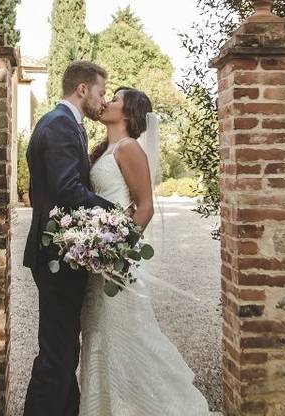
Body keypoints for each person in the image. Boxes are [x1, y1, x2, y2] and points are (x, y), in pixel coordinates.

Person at [78, 86, 212, 416]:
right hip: (98, 263)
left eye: (116, 98)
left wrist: (115, 251)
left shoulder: (128, 149)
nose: (107, 100)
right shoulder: (103, 149)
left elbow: (145, 208)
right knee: (100, 337)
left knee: (130, 338)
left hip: (115, 262)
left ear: (128, 112)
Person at [23, 61, 114, 416]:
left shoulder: (67, 124)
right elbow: (68, 190)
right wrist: (115, 214)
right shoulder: (60, 125)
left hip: (63, 252)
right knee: (57, 355)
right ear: (82, 90)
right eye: (101, 92)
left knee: (63, 350)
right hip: (56, 254)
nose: (103, 101)